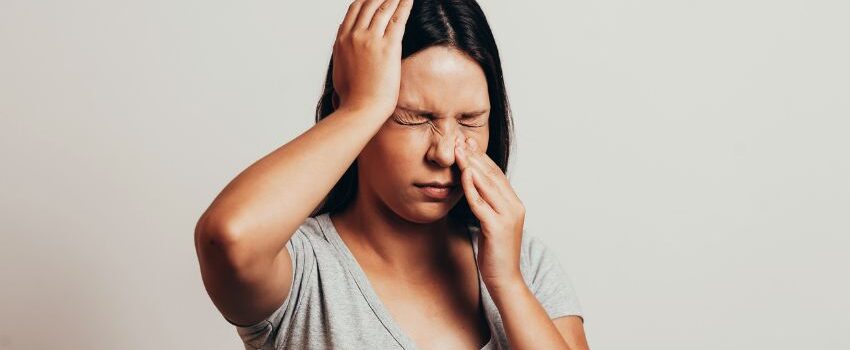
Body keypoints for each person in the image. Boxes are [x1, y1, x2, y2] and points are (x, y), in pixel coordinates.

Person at [194, 0, 589, 349]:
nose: (446, 152)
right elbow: (227, 236)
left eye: (470, 121)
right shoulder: (302, 270)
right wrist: (362, 106)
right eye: (414, 118)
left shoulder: (526, 265)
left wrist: (507, 283)